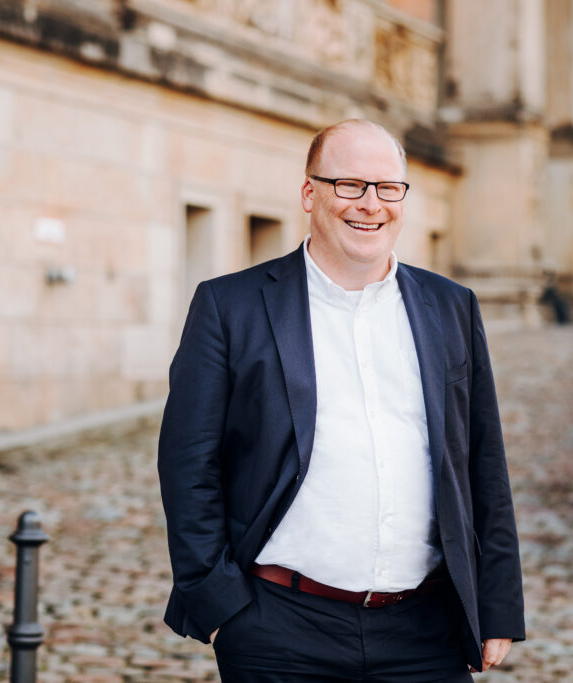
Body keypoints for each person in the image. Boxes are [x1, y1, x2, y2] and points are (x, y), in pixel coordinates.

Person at [158, 119, 524, 681]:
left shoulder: (451, 307)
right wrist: (219, 609)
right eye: (348, 185)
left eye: (387, 188)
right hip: (278, 628)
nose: (370, 204)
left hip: (425, 632)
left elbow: (482, 462)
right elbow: (188, 464)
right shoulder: (230, 307)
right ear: (310, 193)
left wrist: (496, 603)